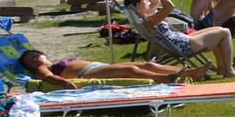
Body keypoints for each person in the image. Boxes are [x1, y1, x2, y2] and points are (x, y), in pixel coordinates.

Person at [124, 0, 235, 78]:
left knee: (217, 29)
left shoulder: (144, 18)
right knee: (225, 32)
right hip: (182, 45)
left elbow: (156, 2)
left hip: (178, 41)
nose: (148, 0)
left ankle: (221, 68)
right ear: (138, 6)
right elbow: (169, 6)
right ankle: (229, 71)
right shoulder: (150, 20)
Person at [19, 49, 205, 87]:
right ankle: (164, 79)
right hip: (87, 74)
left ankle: (191, 72)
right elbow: (48, 78)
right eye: (30, 61)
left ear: (44, 54)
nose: (34, 60)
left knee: (148, 64)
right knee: (131, 71)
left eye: (35, 55)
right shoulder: (43, 70)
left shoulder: (55, 60)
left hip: (100, 66)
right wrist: (65, 83)